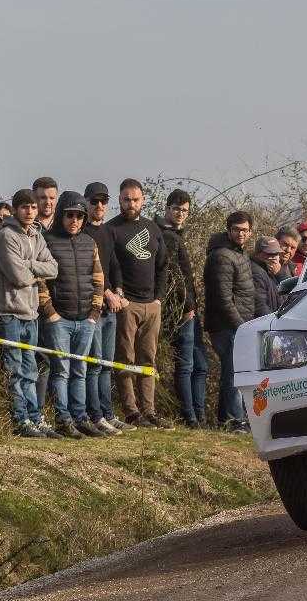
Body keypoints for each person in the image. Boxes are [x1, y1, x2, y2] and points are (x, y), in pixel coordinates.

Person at [0, 189, 59, 438]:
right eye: (24, 207)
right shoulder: (6, 236)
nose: (30, 211)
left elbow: (53, 268)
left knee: (30, 370)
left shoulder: (37, 235)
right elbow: (18, 277)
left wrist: (28, 264)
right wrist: (35, 271)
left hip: (31, 313)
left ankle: (35, 417)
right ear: (16, 210)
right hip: (8, 313)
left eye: (33, 207)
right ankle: (21, 420)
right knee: (15, 370)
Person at [37, 192, 106, 439]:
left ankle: (80, 418)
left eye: (79, 216)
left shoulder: (90, 242)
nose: (74, 220)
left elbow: (98, 279)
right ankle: (63, 419)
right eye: (69, 215)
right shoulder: (47, 241)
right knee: (61, 371)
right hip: (59, 320)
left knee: (80, 370)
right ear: (61, 215)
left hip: (86, 319)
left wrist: (94, 313)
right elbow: (40, 280)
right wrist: (50, 313)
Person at [108, 179, 172, 429]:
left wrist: (159, 298)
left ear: (143, 200)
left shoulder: (153, 228)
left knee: (148, 358)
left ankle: (149, 410)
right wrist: (119, 295)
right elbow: (109, 266)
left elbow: (163, 266)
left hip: (151, 305)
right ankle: (131, 412)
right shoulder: (112, 229)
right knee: (126, 358)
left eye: (135, 199)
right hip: (127, 304)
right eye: (126, 199)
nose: (131, 204)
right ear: (119, 200)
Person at [154, 189, 209, 429]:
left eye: (185, 210)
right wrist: (186, 307)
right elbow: (174, 276)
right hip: (179, 311)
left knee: (201, 365)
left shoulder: (176, 234)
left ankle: (199, 414)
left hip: (190, 309)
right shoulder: (166, 236)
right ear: (167, 208)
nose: (180, 214)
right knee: (186, 364)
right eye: (176, 209)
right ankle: (190, 417)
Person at [82, 182, 131, 435]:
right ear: (86, 203)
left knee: (107, 364)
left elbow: (114, 264)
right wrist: (107, 294)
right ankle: (96, 415)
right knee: (94, 364)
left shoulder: (109, 231)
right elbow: (89, 270)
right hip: (93, 308)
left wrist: (119, 291)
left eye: (103, 201)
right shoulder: (82, 232)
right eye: (94, 201)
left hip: (111, 308)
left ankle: (108, 413)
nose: (99, 205)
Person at [203, 211, 255, 433]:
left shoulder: (239, 253)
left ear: (250, 232)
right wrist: (241, 326)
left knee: (234, 372)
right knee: (234, 374)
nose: (241, 234)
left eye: (245, 230)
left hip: (237, 324)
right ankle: (235, 420)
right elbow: (223, 299)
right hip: (227, 326)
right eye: (236, 230)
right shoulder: (223, 256)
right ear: (228, 230)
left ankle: (229, 419)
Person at [31, 176, 59, 408]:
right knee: (41, 358)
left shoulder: (65, 224)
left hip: (63, 302)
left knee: (61, 359)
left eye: (51, 197)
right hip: (36, 304)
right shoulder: (29, 228)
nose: (47, 202)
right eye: (42, 197)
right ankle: (38, 409)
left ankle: (59, 409)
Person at [250, 236, 284, 317]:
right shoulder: (256, 273)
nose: (273, 258)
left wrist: (279, 274)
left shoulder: (273, 271)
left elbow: (289, 294)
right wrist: (273, 322)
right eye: (269, 254)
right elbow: (260, 306)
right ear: (258, 254)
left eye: (276, 254)